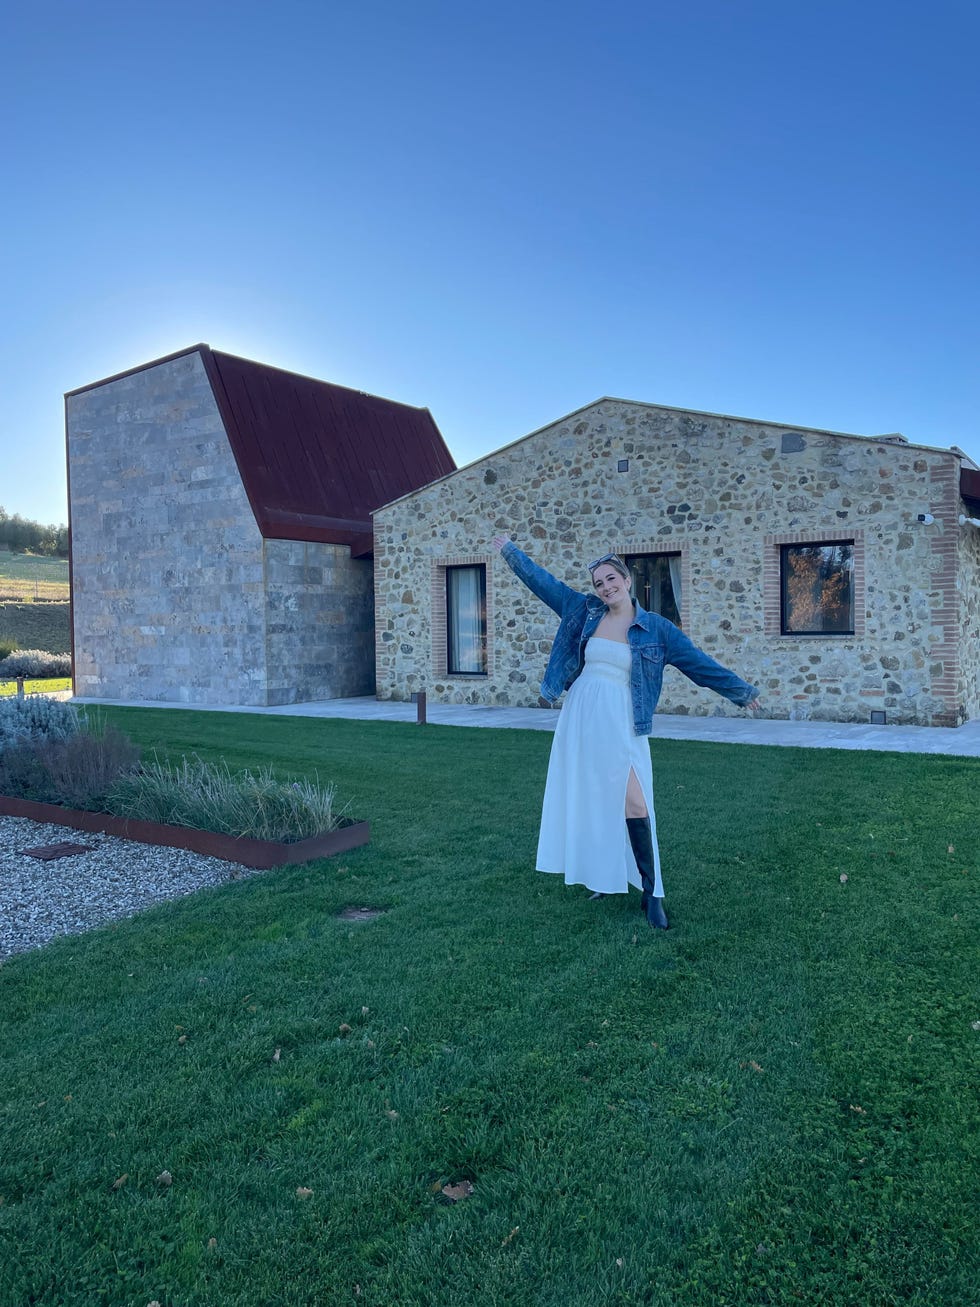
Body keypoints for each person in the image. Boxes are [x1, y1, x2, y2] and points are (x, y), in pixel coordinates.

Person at [491, 537, 760, 928]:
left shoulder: (657, 629)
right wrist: (512, 553)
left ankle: (652, 894)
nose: (605, 587)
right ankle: (603, 876)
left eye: (611, 578)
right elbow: (542, 583)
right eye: (599, 582)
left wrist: (740, 692)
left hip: (622, 719)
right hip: (583, 715)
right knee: (593, 799)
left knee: (634, 801)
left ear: (627, 579)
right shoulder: (583, 610)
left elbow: (698, 664)